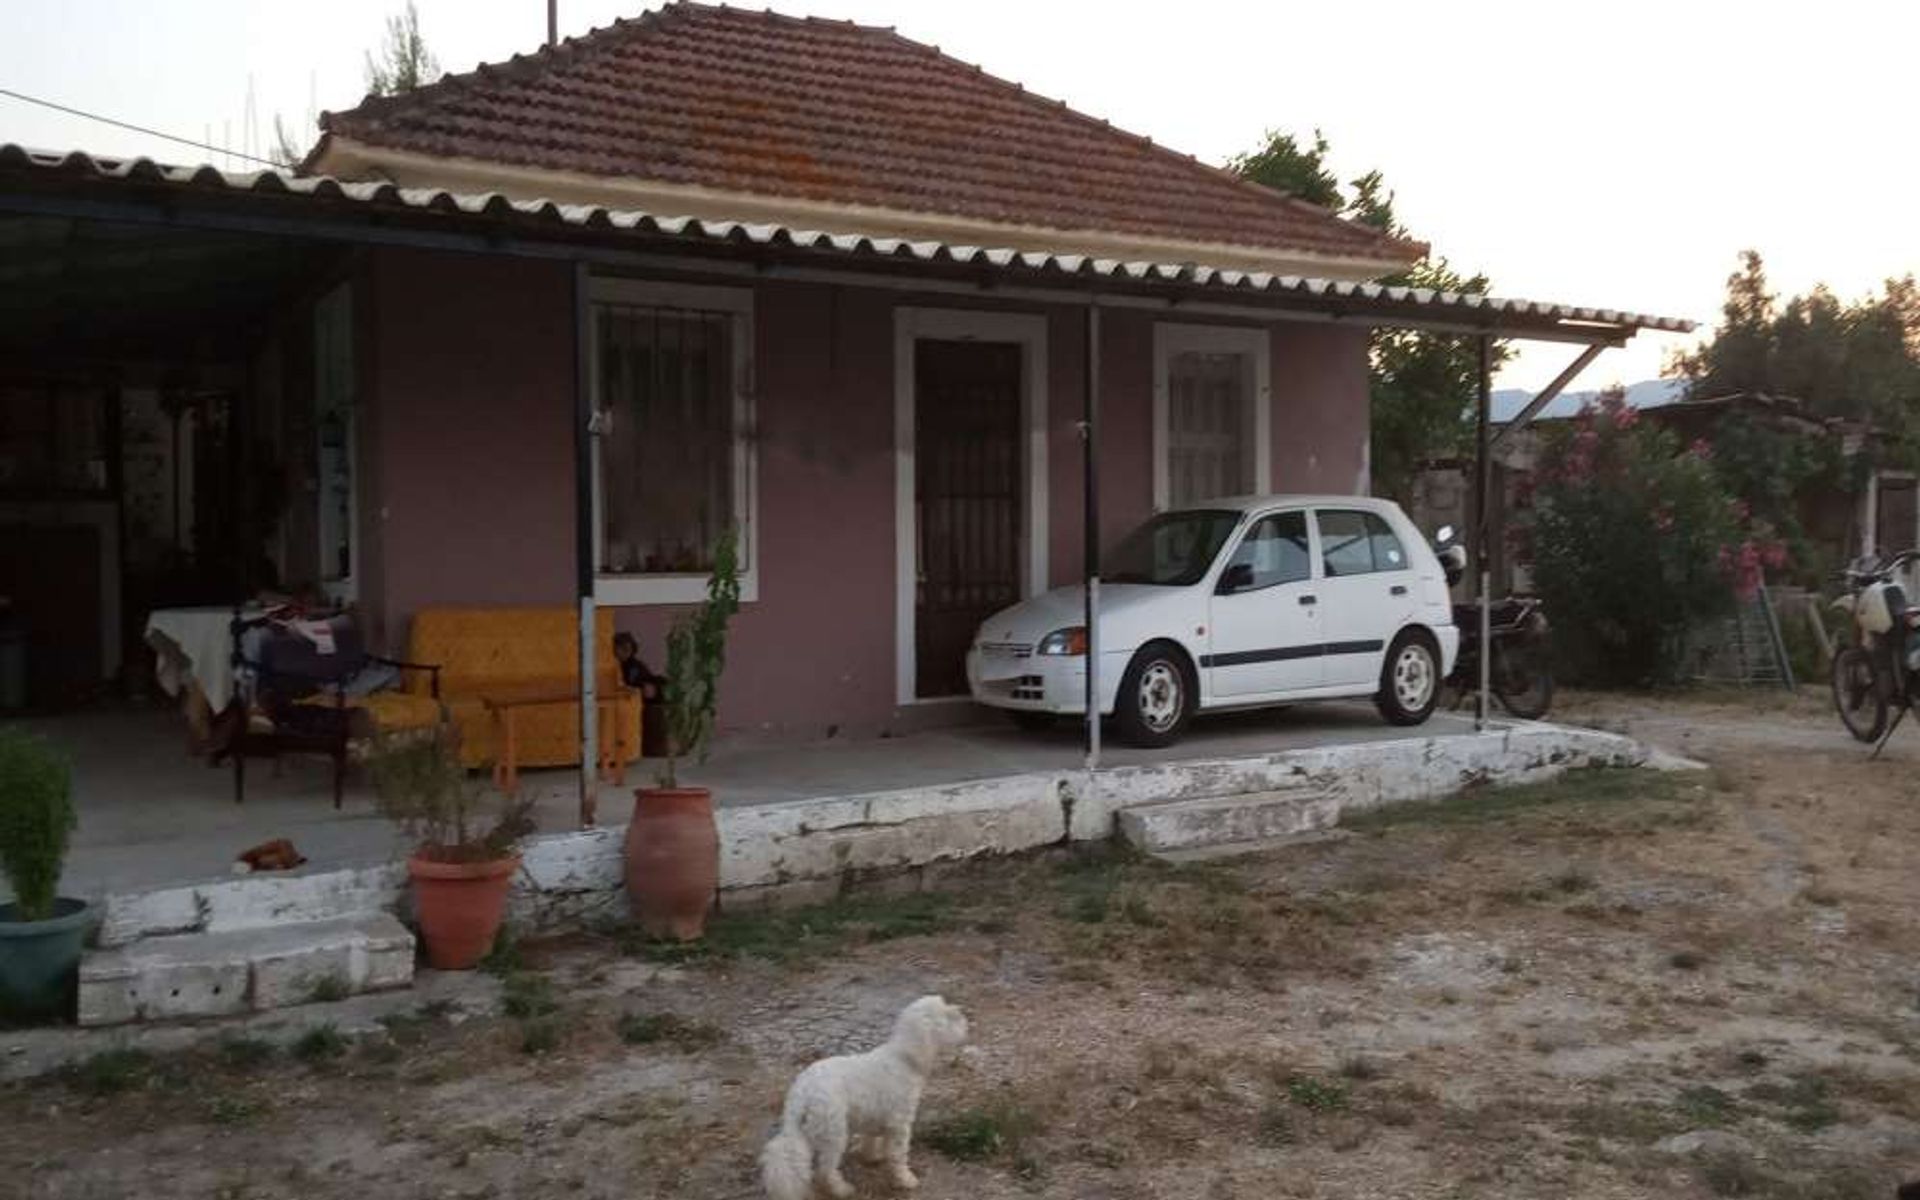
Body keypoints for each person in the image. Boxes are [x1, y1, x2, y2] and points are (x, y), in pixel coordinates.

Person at [612, 631, 665, 701]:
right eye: (622, 648)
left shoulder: (634, 665)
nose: (626, 652)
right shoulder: (612, 664)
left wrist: (651, 688)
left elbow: (641, 680)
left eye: (628, 649)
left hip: (641, 695)